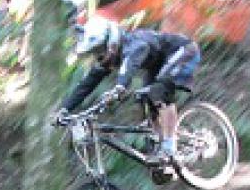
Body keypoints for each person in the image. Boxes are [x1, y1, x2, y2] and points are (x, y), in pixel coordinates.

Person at [58, 16, 201, 167]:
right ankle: (163, 150)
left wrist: (121, 85)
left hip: (183, 50)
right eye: (94, 52)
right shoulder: (110, 55)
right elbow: (87, 84)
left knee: (159, 91)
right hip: (159, 64)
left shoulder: (134, 43)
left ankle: (169, 147)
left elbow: (131, 61)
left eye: (99, 50)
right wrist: (64, 109)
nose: (98, 56)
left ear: (111, 41)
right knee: (144, 98)